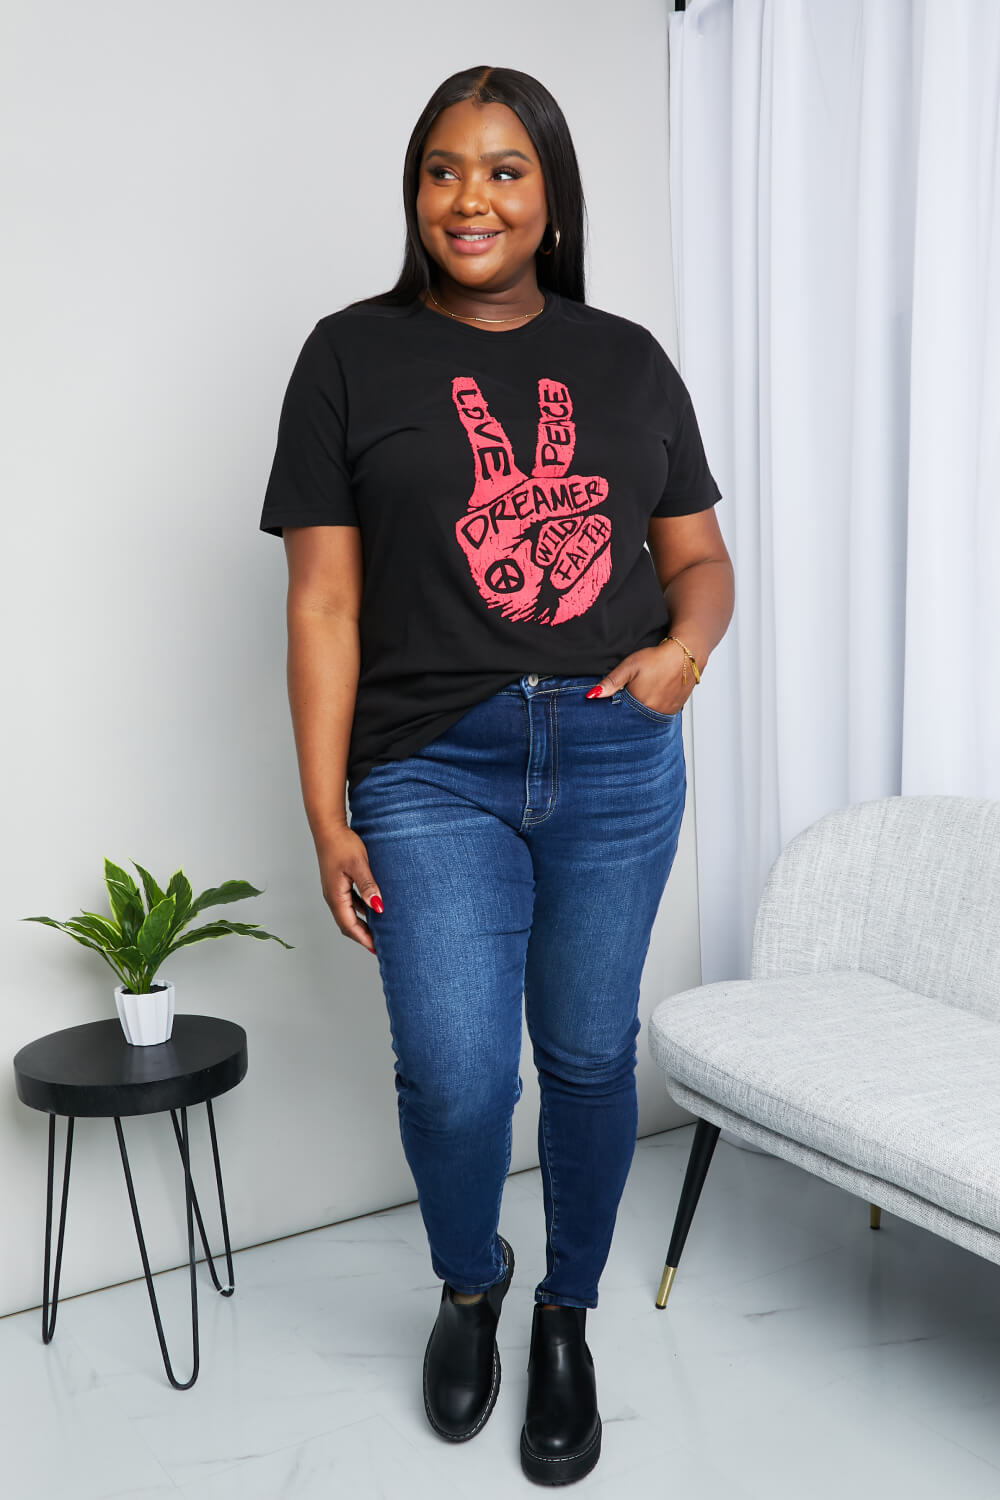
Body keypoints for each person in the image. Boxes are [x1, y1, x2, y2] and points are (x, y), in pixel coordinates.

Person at [259, 64, 733, 1487]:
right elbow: (323, 603)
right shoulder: (349, 356)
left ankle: (566, 1312)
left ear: (551, 196)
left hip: (612, 753)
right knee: (460, 1077)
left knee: (587, 1056)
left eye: (506, 169)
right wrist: (325, 810)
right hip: (428, 767)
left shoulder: (627, 360)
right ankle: (471, 1283)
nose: (471, 197)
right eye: (444, 169)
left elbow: (700, 561)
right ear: (415, 191)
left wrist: (681, 654)